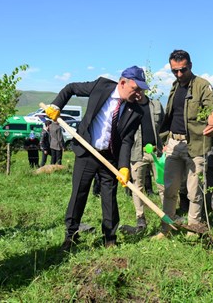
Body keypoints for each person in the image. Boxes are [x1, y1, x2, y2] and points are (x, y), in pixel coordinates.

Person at [44, 66, 147, 250]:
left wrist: (124, 167)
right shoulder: (101, 86)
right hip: (87, 151)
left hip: (110, 158)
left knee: (109, 198)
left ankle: (110, 238)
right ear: (122, 83)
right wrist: (56, 105)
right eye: (135, 88)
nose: (138, 93)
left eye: (141, 89)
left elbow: (126, 140)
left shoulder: (136, 111)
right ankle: (71, 236)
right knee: (79, 194)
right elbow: (71, 88)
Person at [155, 49, 213, 239]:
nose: (179, 74)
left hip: (196, 145)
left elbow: (212, 109)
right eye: (175, 71)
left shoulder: (202, 85)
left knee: (194, 191)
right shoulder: (174, 86)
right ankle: (166, 228)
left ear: (190, 65)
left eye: (183, 70)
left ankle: (194, 228)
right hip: (174, 143)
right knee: (169, 189)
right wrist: (166, 140)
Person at [126, 94, 164, 232]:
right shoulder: (128, 106)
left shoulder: (156, 105)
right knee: (137, 187)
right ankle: (140, 217)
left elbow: (164, 126)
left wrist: (164, 144)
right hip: (137, 153)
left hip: (156, 152)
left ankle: (167, 214)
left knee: (162, 185)